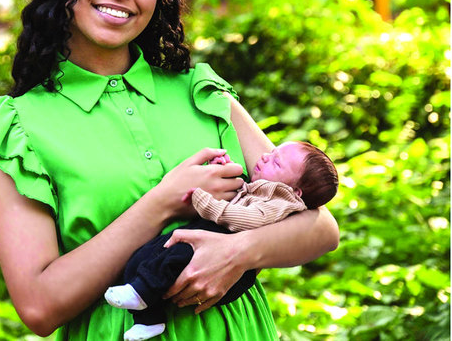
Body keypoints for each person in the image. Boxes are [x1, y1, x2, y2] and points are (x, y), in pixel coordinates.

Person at [0, 0, 339, 340]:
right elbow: (38, 306)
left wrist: (239, 251)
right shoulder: (18, 129)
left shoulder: (203, 93)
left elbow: (320, 227)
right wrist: (163, 202)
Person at [104, 141, 338, 340]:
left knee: (172, 260)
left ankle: (141, 294)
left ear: (296, 192)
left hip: (219, 261)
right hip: (200, 239)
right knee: (144, 257)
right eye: (272, 152)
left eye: (276, 163)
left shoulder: (281, 203)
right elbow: (240, 192)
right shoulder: (261, 189)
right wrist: (223, 171)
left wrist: (203, 200)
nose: (266, 157)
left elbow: (246, 218)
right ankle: (149, 320)